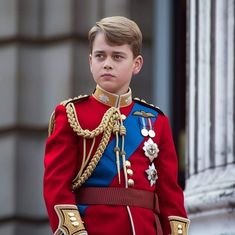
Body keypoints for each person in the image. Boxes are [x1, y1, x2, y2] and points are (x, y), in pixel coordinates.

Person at [43, 16, 190, 235]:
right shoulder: (72, 114)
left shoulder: (156, 120)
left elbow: (171, 195)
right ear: (90, 61)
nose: (107, 63)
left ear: (136, 64)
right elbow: (56, 186)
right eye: (100, 56)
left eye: (117, 56)